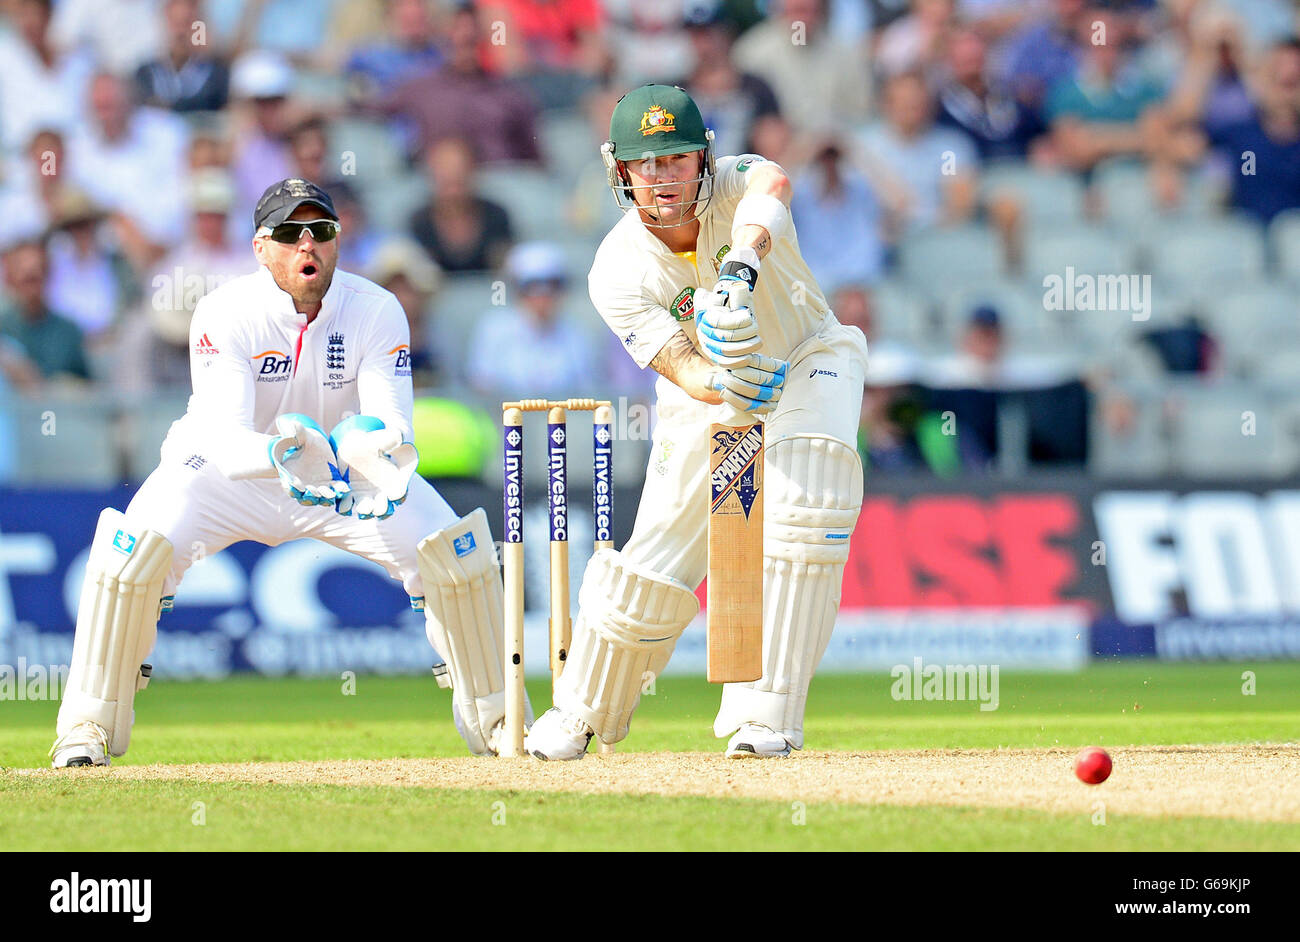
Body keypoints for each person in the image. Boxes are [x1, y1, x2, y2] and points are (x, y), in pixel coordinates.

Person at [50, 178, 523, 768]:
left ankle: (501, 723)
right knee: (130, 557)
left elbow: (392, 423)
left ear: (337, 241)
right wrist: (278, 454)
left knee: (455, 554)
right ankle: (86, 729)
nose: (308, 245)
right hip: (221, 475)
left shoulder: (376, 309)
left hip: (336, 472)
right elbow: (225, 438)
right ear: (260, 247)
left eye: (321, 232)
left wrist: (379, 460)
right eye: (289, 234)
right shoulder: (224, 312)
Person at [525, 85, 867, 760]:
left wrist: (741, 267)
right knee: (653, 563)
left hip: (808, 357)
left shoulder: (738, 185)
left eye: (677, 158)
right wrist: (721, 379)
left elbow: (775, 178)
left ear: (703, 157)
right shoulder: (616, 268)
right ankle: (579, 710)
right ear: (619, 170)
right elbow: (680, 367)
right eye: (646, 164)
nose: (663, 177)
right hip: (712, 395)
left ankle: (765, 716)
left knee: (807, 506)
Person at [465, 241, 597, 395]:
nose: (543, 296)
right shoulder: (492, 329)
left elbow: (587, 395)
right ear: (516, 289)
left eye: (552, 285)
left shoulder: (576, 334)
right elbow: (481, 388)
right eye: (531, 286)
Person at [0, 238, 91, 384]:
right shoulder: (3, 329)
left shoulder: (68, 331)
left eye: (37, 277)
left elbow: (88, 388)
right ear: (9, 279)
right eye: (27, 279)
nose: (32, 288)